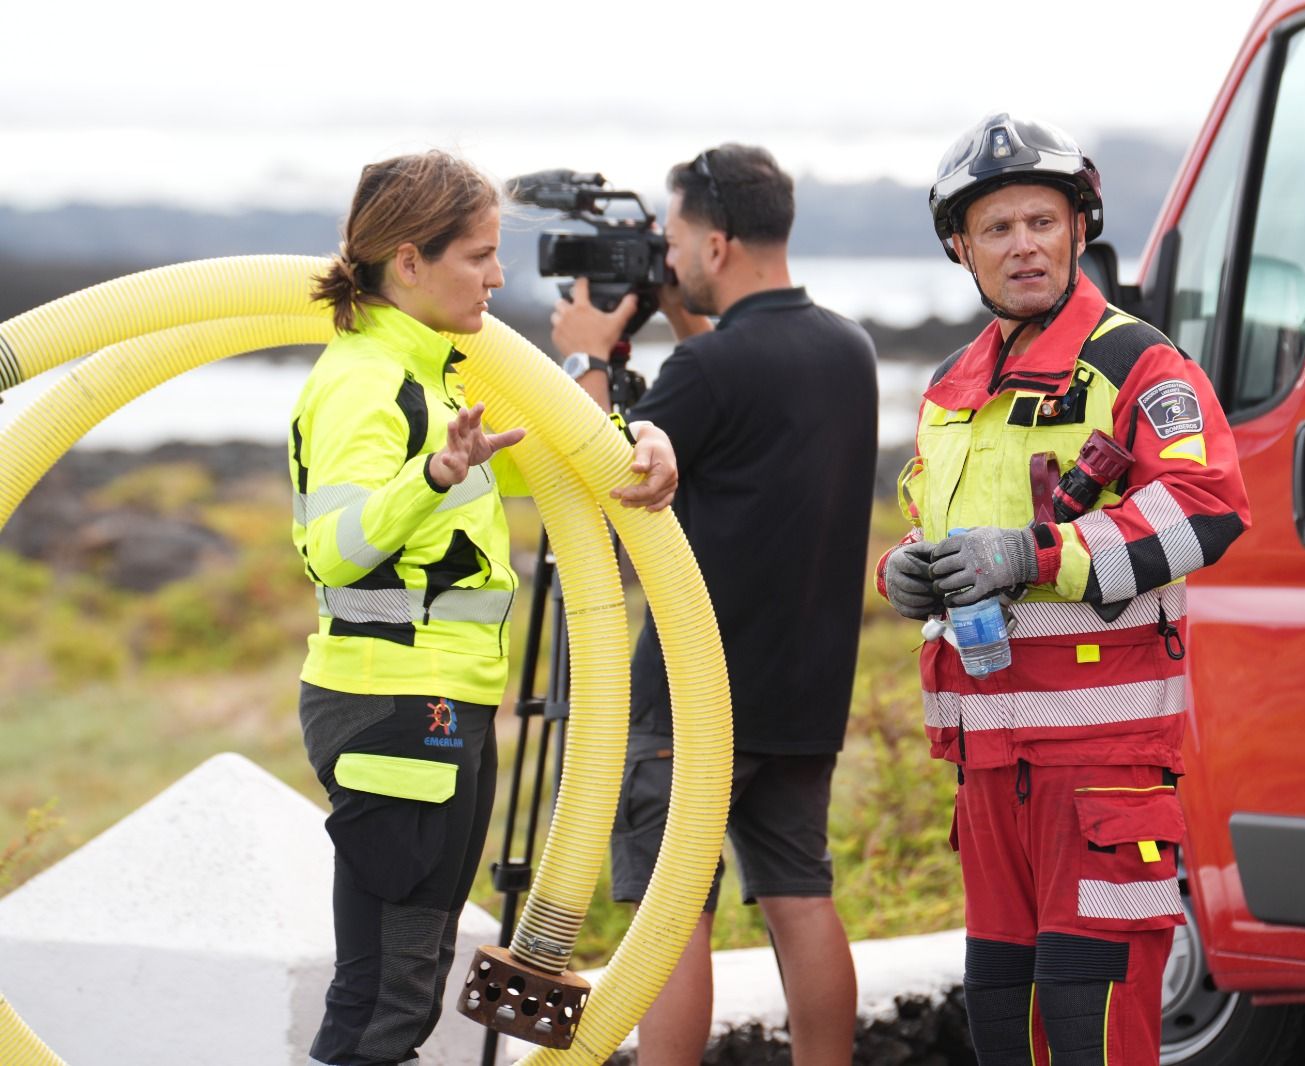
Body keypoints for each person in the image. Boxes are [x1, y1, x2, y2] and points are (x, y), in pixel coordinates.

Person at [877, 114, 1250, 1066]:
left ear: (1078, 229)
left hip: (1103, 769)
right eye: (997, 229)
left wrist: (1038, 554)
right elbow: (938, 530)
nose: (1024, 246)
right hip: (989, 771)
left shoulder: (1139, 364)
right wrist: (905, 572)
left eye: (1042, 222)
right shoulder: (952, 389)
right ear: (960, 246)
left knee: (1092, 1028)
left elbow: (1208, 508)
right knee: (1007, 1027)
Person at [291, 149, 677, 1066]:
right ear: (408, 260)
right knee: (381, 999)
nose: (499, 276)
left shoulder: (440, 377)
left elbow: (559, 453)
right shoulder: (365, 382)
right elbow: (333, 548)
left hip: (446, 704)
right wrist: (432, 475)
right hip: (391, 703)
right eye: (477, 255)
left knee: (409, 989)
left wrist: (642, 440)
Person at [550, 143, 877, 1066]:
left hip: (693, 694)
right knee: (800, 897)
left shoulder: (712, 372)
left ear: (719, 242)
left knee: (670, 911)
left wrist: (582, 354)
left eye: (678, 235)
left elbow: (599, 467)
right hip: (806, 691)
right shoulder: (846, 349)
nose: (669, 254)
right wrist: (689, 320)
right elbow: (737, 397)